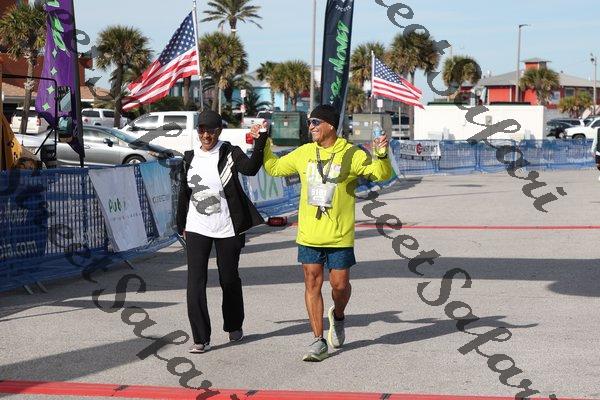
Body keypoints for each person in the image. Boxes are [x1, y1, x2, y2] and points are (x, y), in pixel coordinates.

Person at [263, 104, 392, 361]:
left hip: (339, 235)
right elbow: (274, 168)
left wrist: (381, 154)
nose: (310, 127)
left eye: (315, 122)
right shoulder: (304, 152)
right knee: (312, 283)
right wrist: (263, 142)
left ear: (330, 125)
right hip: (309, 233)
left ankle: (338, 315)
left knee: (340, 286)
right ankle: (317, 340)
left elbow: (381, 174)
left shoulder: (351, 153)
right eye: (309, 123)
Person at [176, 110, 267, 353]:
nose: (206, 135)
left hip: (227, 226)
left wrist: (260, 140)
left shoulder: (229, 152)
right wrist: (181, 224)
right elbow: (184, 194)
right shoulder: (189, 157)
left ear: (219, 132)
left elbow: (251, 169)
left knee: (229, 278)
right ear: (197, 132)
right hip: (197, 226)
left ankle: (234, 324)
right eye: (202, 130)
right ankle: (200, 338)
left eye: (211, 131)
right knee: (195, 282)